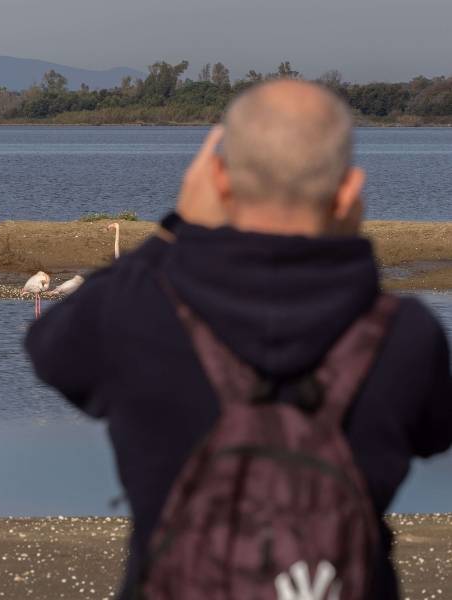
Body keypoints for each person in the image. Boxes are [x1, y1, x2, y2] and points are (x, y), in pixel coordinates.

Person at [25, 79, 452, 599]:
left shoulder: (135, 314)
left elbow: (50, 347)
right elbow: (435, 434)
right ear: (349, 191)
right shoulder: (405, 334)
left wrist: (172, 230)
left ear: (217, 181)